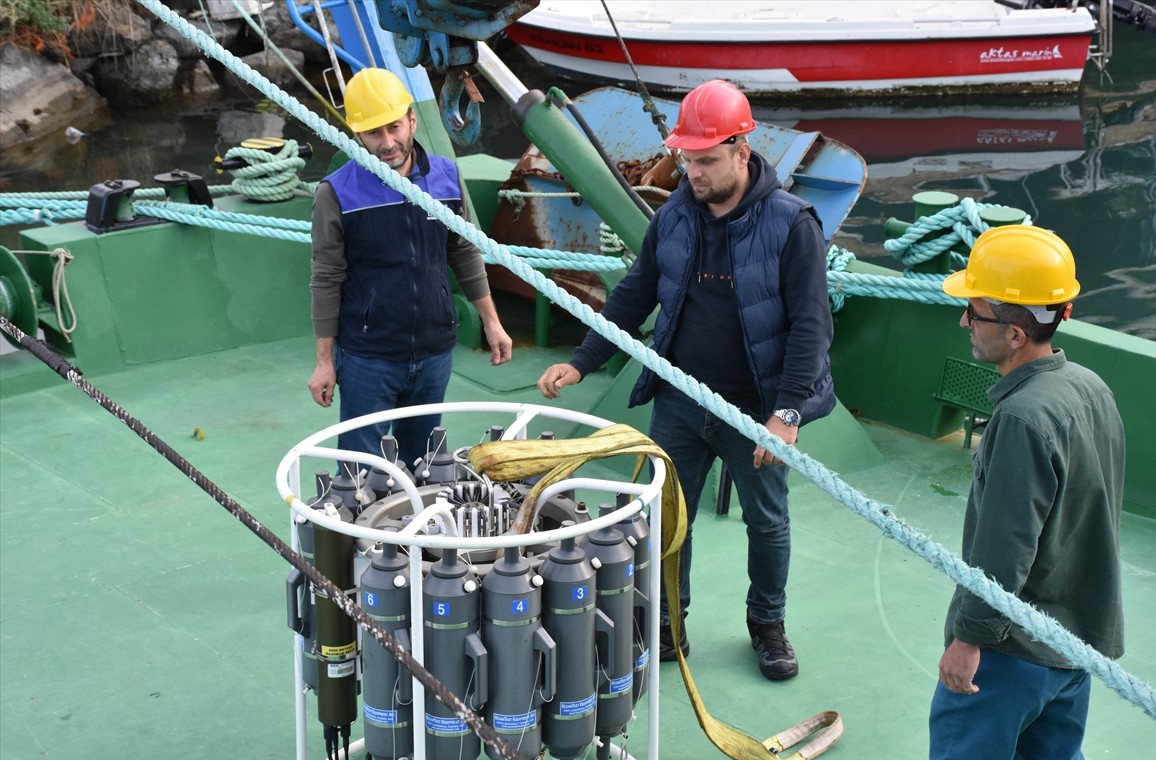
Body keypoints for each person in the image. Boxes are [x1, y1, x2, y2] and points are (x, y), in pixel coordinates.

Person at [535, 80, 835, 681]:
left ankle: (767, 624)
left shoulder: (791, 224)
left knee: (767, 522)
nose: (692, 172)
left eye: (706, 160)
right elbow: (635, 292)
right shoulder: (675, 213)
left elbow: (811, 326)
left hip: (755, 410)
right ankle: (670, 623)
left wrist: (786, 415)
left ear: (742, 152)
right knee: (670, 518)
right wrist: (583, 360)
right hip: (679, 398)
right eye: (686, 159)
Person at [930, 225, 1126, 760]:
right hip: (1074, 640)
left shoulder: (1020, 419)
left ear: (1015, 334)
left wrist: (969, 641)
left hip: (1010, 650)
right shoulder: (1091, 387)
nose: (964, 321)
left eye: (975, 312)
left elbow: (1004, 547)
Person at [307, 68, 512, 470]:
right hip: (369, 356)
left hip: (435, 350)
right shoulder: (335, 193)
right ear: (356, 134)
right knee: (358, 472)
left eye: (394, 127)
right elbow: (326, 277)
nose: (387, 143)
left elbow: (463, 251)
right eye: (373, 133)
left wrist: (492, 322)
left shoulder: (447, 178)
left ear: (412, 121)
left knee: (423, 464)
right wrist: (325, 360)